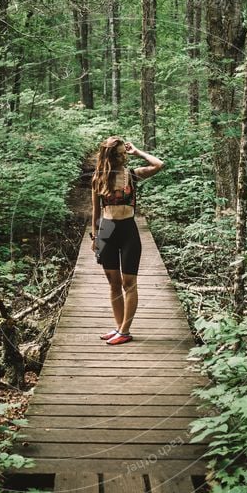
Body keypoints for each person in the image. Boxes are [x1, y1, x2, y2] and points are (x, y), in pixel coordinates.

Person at [90, 136, 164, 345]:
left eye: (125, 153)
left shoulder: (132, 175)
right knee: (113, 284)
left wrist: (137, 152)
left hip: (128, 229)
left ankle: (125, 330)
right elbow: (96, 212)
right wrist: (95, 237)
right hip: (107, 230)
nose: (124, 157)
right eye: (120, 153)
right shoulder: (99, 178)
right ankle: (118, 327)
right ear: (110, 155)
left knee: (128, 283)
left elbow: (159, 164)